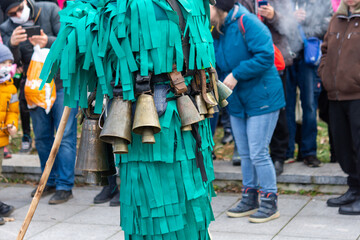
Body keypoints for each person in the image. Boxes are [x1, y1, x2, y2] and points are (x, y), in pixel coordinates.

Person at [40, 0, 216, 238]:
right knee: (180, 210)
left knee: (162, 210)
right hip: (182, 115)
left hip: (158, 121)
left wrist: (83, 14)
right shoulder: (194, 3)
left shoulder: (127, 6)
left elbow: (76, 50)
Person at [212, 1, 285, 223]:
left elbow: (265, 56)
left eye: (208, 6)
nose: (205, 12)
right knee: (244, 153)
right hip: (238, 102)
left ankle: (270, 201)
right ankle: (249, 197)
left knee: (258, 152)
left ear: (220, 7)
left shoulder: (249, 23)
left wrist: (236, 74)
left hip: (262, 98)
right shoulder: (217, 27)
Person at [0, 0, 78, 205]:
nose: (18, 14)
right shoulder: (7, 28)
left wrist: (49, 41)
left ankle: (64, 185)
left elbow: (71, 40)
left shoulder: (51, 9)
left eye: (19, 9)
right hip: (35, 89)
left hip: (62, 83)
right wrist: (12, 45)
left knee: (65, 136)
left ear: (26, 2)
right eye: (12, 13)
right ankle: (48, 180)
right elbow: (12, 63)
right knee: (42, 137)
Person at [237, 0, 294, 176]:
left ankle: (278, 156)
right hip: (247, 61)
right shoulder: (241, 2)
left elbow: (291, 27)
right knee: (249, 110)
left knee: (277, 110)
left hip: (275, 61)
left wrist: (274, 16)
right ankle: (254, 157)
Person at [319, 0, 360, 215]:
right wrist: (324, 72)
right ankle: (354, 188)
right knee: (344, 146)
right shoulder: (337, 17)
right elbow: (325, 49)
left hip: (357, 95)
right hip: (335, 94)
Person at [285, 0, 332, 167]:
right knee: (287, 106)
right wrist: (289, 20)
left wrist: (303, 29)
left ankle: (309, 152)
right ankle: (287, 151)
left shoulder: (322, 2)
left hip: (309, 58)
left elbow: (327, 26)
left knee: (310, 106)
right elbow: (274, 22)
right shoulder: (284, 3)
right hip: (286, 56)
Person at [0, 43, 18, 225]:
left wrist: (12, 124)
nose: (6, 67)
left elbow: (13, 111)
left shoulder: (10, 87)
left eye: (9, 63)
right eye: (2, 63)